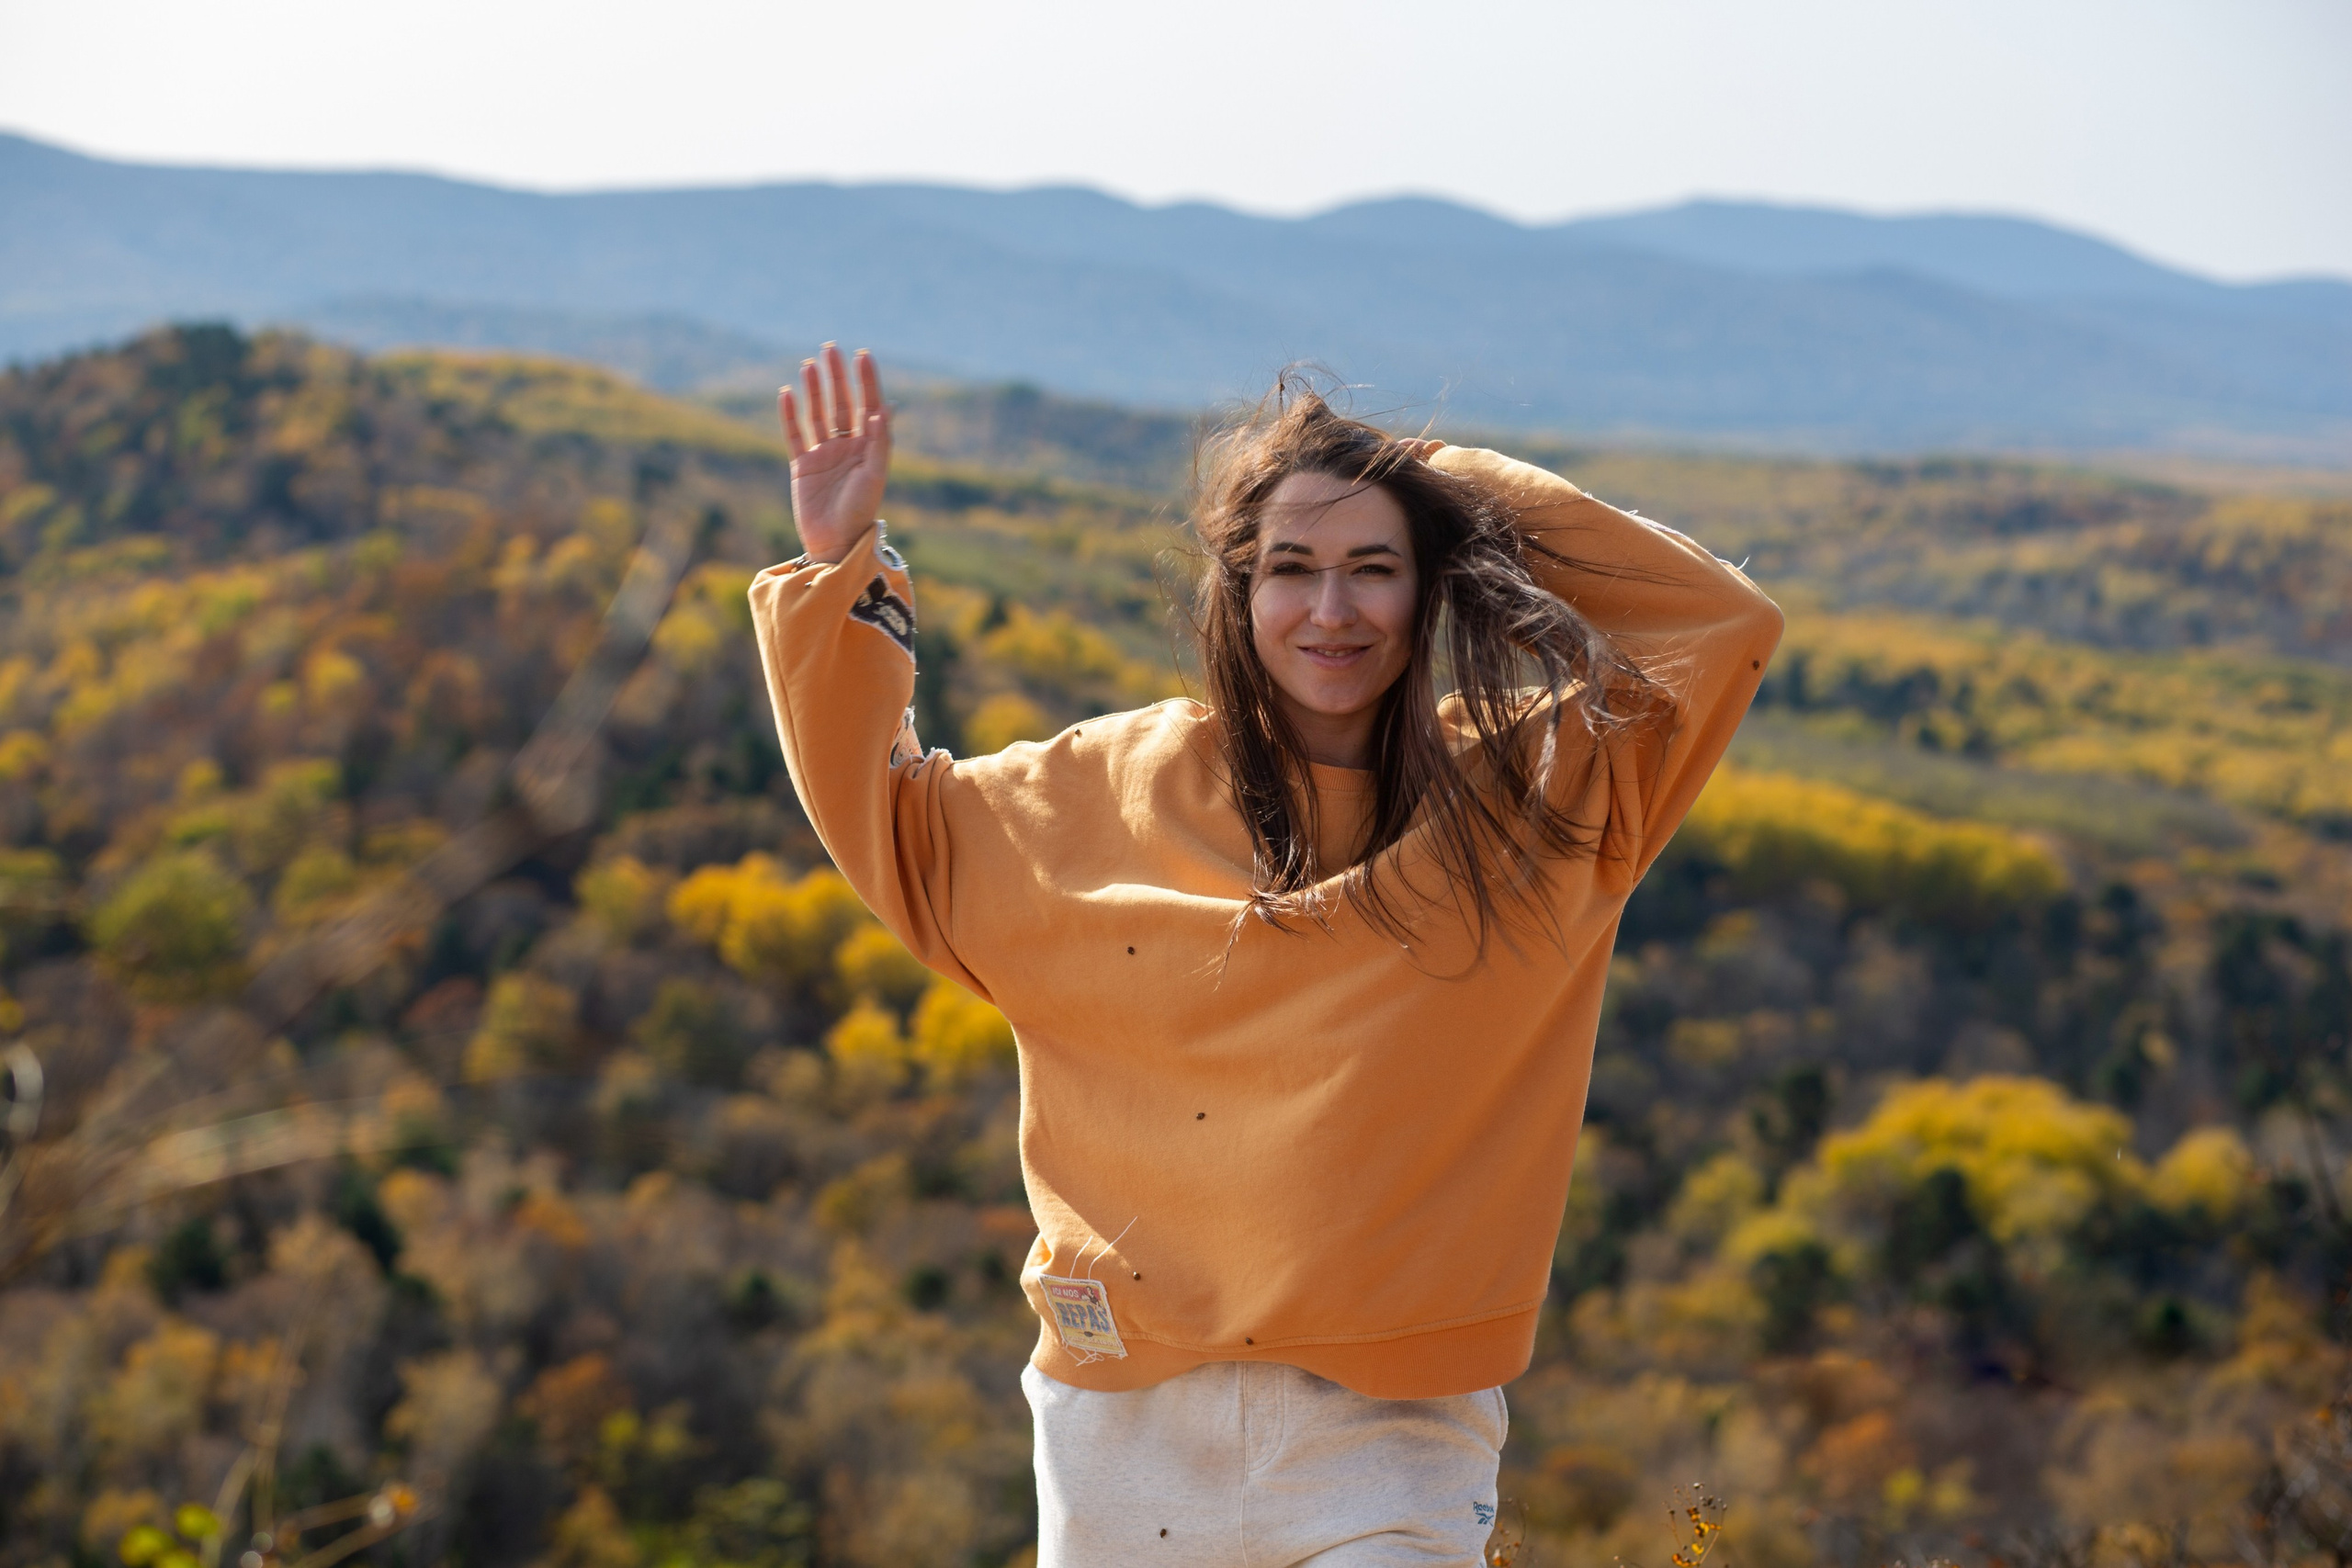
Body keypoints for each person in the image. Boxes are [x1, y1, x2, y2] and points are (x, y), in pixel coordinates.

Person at [752, 344, 1781, 1565]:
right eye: (1290, 569)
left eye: (1373, 569)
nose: (1331, 612)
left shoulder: (1537, 801)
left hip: (1390, 1438)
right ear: (1236, 595)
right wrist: (838, 571)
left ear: (1427, 587)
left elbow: (1719, 627)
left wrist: (1435, 477)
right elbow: (894, 824)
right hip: (1121, 1430)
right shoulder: (1106, 787)